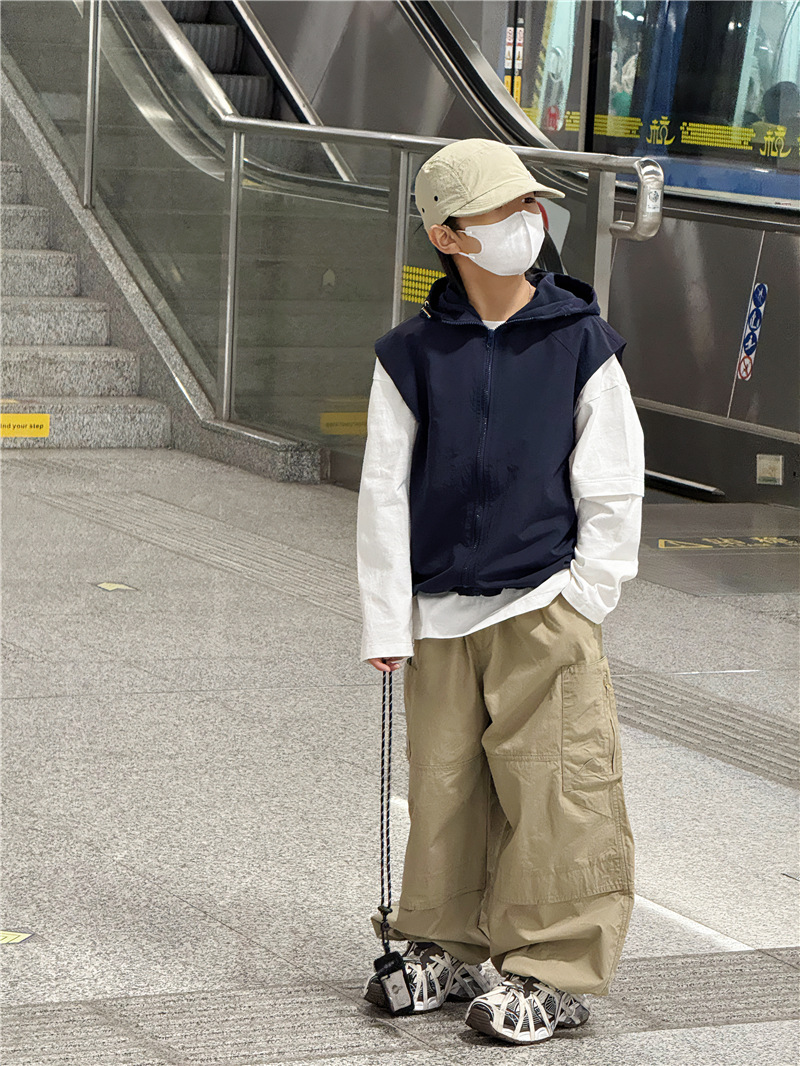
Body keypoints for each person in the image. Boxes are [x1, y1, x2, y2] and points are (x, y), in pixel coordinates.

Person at [356, 138, 644, 1046]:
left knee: (559, 789)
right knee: (443, 790)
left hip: (542, 606)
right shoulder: (410, 354)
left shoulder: (579, 342)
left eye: (530, 204)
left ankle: (552, 968)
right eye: (504, 209)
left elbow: (613, 482)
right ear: (447, 236)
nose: (530, 220)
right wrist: (387, 617)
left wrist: (585, 598)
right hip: (439, 614)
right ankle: (444, 942)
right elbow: (383, 490)